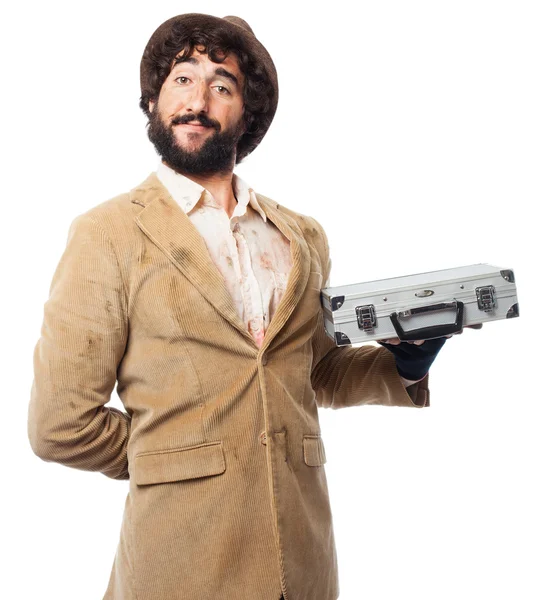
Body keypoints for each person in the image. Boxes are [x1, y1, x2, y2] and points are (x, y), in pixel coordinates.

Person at [27, 13, 476, 600]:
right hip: (178, 565)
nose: (198, 99)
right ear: (156, 99)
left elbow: (314, 374)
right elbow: (59, 425)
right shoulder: (106, 234)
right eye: (181, 80)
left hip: (304, 558)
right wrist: (170, 457)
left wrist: (408, 364)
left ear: (248, 112)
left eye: (222, 85)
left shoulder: (300, 235)